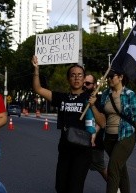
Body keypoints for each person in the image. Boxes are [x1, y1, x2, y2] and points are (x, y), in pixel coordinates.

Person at [32, 55, 106, 193]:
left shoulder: (91, 98)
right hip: (65, 149)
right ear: (68, 79)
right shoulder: (61, 98)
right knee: (61, 187)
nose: (76, 78)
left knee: (75, 188)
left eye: (79, 75)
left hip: (83, 151)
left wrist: (93, 106)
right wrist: (36, 69)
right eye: (73, 75)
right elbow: (38, 89)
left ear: (84, 79)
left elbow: (102, 123)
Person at [99, 68, 136, 193]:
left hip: (126, 135)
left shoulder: (130, 95)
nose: (109, 79)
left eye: (112, 76)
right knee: (121, 169)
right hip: (108, 137)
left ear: (120, 77)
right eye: (108, 77)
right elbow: (102, 115)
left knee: (113, 168)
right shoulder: (105, 94)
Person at [83, 74, 108, 181]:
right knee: (78, 169)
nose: (84, 85)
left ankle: (116, 188)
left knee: (101, 168)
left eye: (88, 83)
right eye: (83, 82)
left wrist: (93, 136)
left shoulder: (100, 100)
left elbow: (101, 122)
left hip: (95, 144)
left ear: (94, 85)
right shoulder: (81, 97)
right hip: (80, 140)